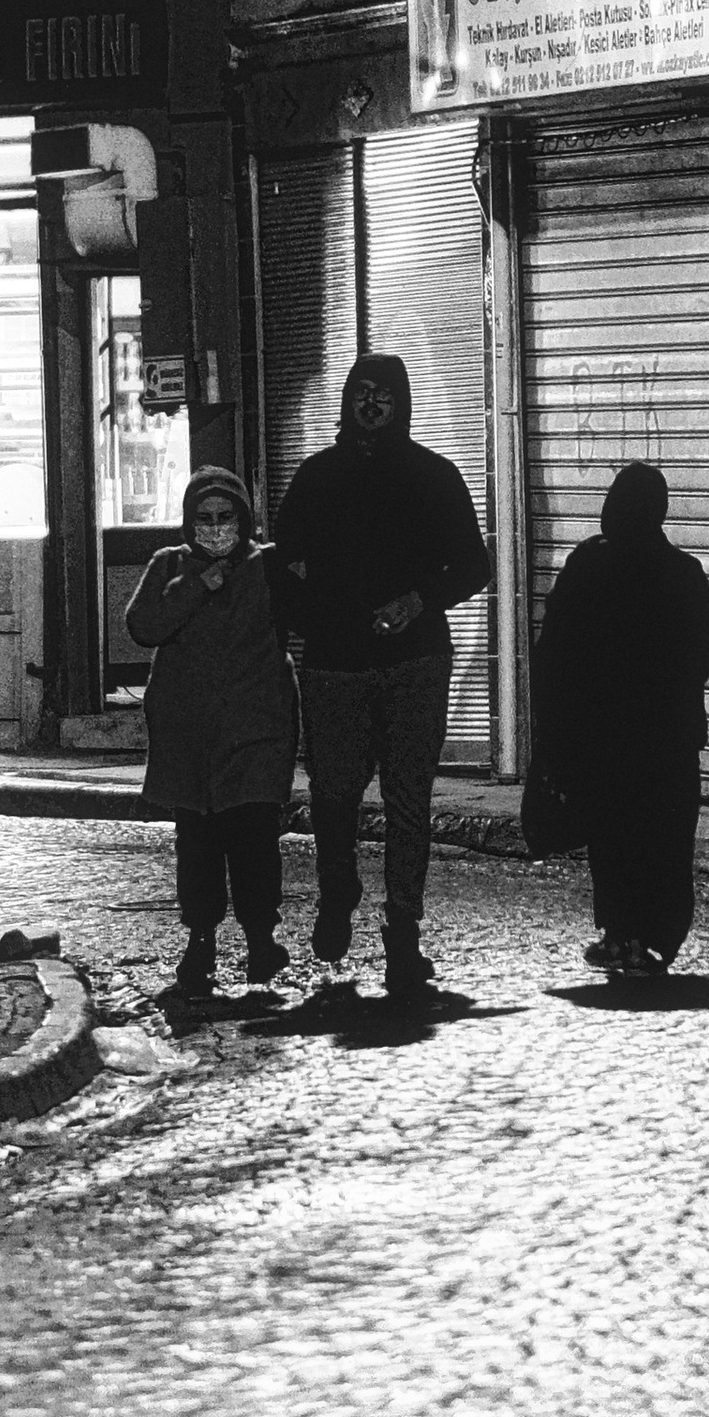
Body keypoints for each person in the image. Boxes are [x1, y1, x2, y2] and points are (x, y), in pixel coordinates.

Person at [272, 352, 490, 1003]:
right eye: (361, 394)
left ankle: (404, 932)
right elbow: (283, 567)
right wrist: (322, 618)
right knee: (335, 795)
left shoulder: (434, 477)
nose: (371, 406)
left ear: (401, 402)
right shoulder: (316, 478)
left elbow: (473, 565)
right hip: (335, 665)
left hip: (414, 661)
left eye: (382, 395)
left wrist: (419, 601)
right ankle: (338, 895)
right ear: (346, 400)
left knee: (406, 801)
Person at [533, 460, 709, 982]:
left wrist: (557, 726)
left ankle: (620, 935)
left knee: (613, 838)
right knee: (665, 840)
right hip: (667, 737)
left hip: (603, 735)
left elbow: (555, 651)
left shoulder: (588, 564)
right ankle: (656, 939)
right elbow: (702, 655)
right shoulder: (684, 572)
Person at [127, 464, 296, 1001]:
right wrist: (196, 586)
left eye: (226, 517)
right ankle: (200, 940)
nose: (217, 526)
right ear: (188, 520)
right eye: (206, 517)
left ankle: (259, 939)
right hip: (191, 737)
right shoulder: (168, 566)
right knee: (197, 844)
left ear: (243, 519)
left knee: (254, 839)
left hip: (255, 729)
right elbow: (143, 626)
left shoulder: (266, 566)